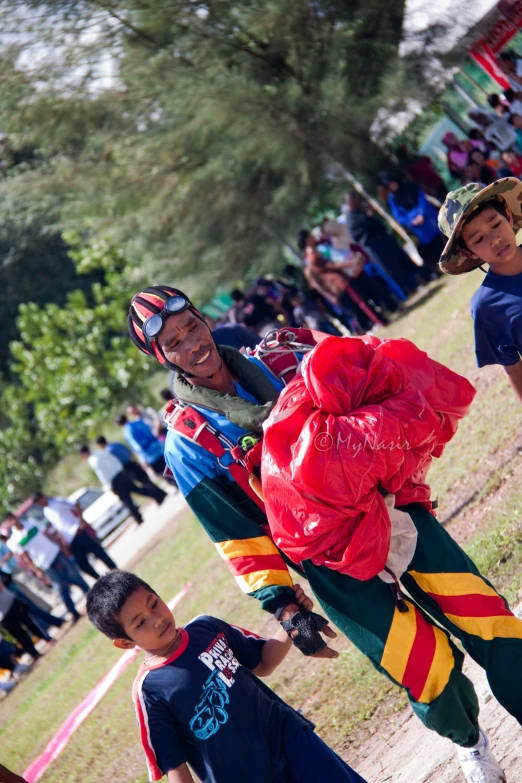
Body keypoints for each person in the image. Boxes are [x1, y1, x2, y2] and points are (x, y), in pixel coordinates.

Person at [126, 284, 516, 783]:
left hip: (393, 510)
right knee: (418, 664)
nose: (192, 343)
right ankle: (470, 741)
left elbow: (372, 372)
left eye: (192, 327)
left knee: (485, 616)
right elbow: (236, 533)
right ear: (162, 357)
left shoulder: (286, 354)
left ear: (204, 319)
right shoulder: (188, 440)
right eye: (175, 342)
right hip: (328, 560)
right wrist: (284, 606)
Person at [87, 570, 367, 783]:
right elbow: (175, 765)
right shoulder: (150, 689)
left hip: (289, 736)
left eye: (153, 604)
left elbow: (263, 662)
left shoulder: (206, 627)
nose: (156, 618)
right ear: (125, 642)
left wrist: (291, 622)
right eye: (140, 622)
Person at [438, 177, 522, 408]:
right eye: (478, 239)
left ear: (507, 214)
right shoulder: (486, 308)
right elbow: (513, 368)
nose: (494, 239)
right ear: (469, 252)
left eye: (495, 224)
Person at [4, 513, 88, 622]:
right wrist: (36, 570)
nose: (13, 521)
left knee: (74, 575)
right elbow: (25, 557)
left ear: (16, 517)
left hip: (54, 552)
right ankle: (73, 611)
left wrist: (61, 546)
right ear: (8, 524)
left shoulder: (31, 522)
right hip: (43, 562)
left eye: (12, 518)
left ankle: (90, 593)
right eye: (10, 520)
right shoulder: (14, 540)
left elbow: (48, 534)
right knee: (60, 586)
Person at [343, 192, 419, 294]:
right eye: (356, 200)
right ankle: (410, 286)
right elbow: (359, 234)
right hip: (375, 245)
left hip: (384, 240)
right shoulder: (351, 218)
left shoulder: (360, 212)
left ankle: (419, 277)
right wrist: (368, 216)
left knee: (401, 259)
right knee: (392, 267)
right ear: (351, 202)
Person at [31, 492, 117, 581]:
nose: (39, 503)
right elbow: (59, 526)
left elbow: (76, 505)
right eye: (37, 503)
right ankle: (102, 581)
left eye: (39, 500)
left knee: (99, 553)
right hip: (70, 539)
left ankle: (116, 572)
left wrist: (81, 520)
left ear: (43, 497)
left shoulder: (57, 502)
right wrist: (64, 541)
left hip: (78, 531)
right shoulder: (46, 511)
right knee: (83, 565)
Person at [79, 445, 166, 525]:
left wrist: (108, 486)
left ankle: (138, 518)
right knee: (137, 490)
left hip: (114, 481)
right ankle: (157, 495)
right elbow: (114, 460)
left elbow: (102, 475)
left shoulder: (93, 460)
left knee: (126, 500)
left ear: (83, 453)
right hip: (121, 474)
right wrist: (121, 470)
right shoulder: (100, 452)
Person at [382, 174, 444, 277]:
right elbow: (398, 216)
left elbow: (422, 199)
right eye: (389, 186)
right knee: (431, 247)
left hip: (428, 217)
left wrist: (421, 214)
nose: (392, 186)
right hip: (418, 227)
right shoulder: (393, 199)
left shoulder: (411, 186)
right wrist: (411, 221)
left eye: (392, 183)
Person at [0, 581, 56, 659]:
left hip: (12, 602)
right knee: (21, 636)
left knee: (30, 623)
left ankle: (47, 638)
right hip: (3, 616)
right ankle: (34, 654)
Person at [95, 435, 167, 494]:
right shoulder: (117, 444)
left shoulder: (108, 452)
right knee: (146, 480)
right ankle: (160, 493)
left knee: (144, 482)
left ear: (100, 444)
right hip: (132, 462)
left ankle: (159, 494)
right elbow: (128, 451)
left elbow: (115, 463)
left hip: (127, 468)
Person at [117, 410, 167, 476]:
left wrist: (143, 460)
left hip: (151, 457)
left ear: (120, 425)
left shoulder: (127, 434)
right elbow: (152, 433)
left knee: (167, 475)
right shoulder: (139, 422)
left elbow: (137, 447)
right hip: (160, 448)